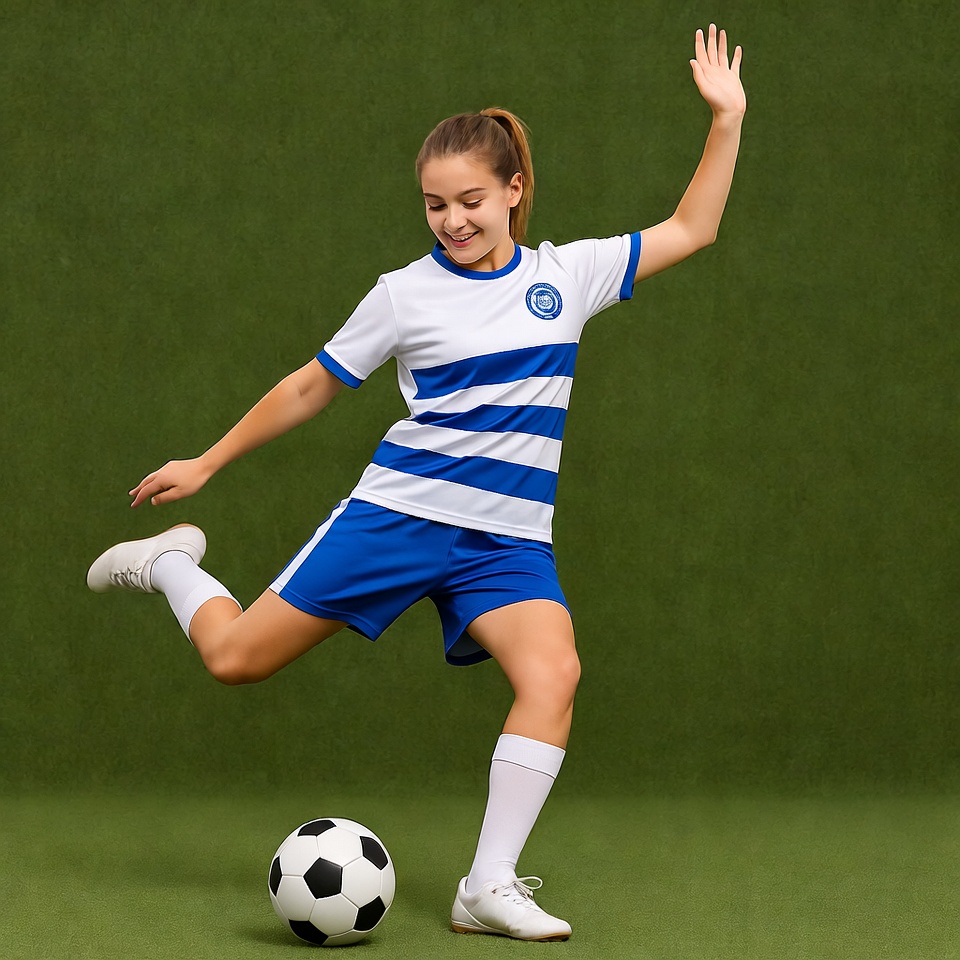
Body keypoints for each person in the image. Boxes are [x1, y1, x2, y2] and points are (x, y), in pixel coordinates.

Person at [87, 25, 745, 942]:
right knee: (236, 659)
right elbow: (311, 386)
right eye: (436, 205)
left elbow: (692, 228)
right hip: (399, 516)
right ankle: (170, 566)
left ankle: (488, 886)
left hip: (506, 543)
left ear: (514, 190)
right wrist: (206, 461)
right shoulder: (404, 293)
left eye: (471, 200)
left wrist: (726, 120)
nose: (453, 220)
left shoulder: (569, 275)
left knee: (554, 673)